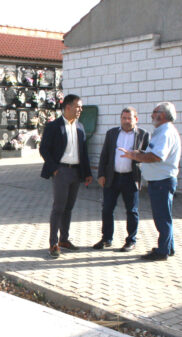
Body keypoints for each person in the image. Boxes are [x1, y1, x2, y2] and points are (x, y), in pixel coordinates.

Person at [119, 102, 181, 261]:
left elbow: (156, 156)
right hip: (159, 181)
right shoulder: (161, 131)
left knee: (162, 218)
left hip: (162, 182)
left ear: (163, 115)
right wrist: (137, 153)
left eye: (155, 112)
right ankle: (168, 247)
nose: (152, 115)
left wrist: (135, 156)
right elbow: (151, 152)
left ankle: (162, 252)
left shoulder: (166, 132)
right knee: (164, 217)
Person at [40, 94, 93, 258]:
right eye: (78, 106)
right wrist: (54, 168)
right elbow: (44, 149)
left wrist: (87, 173)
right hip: (61, 171)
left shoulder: (80, 126)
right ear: (68, 107)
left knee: (69, 208)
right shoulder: (54, 126)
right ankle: (53, 243)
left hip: (76, 171)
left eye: (81, 107)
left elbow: (84, 152)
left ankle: (64, 239)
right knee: (58, 208)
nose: (80, 110)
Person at [94, 107, 151, 252]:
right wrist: (101, 174)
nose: (126, 121)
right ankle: (107, 238)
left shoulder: (143, 135)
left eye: (129, 118)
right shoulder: (112, 133)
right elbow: (104, 155)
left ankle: (131, 240)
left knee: (132, 211)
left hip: (130, 178)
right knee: (107, 209)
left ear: (135, 119)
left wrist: (135, 154)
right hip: (112, 177)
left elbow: (148, 155)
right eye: (123, 118)